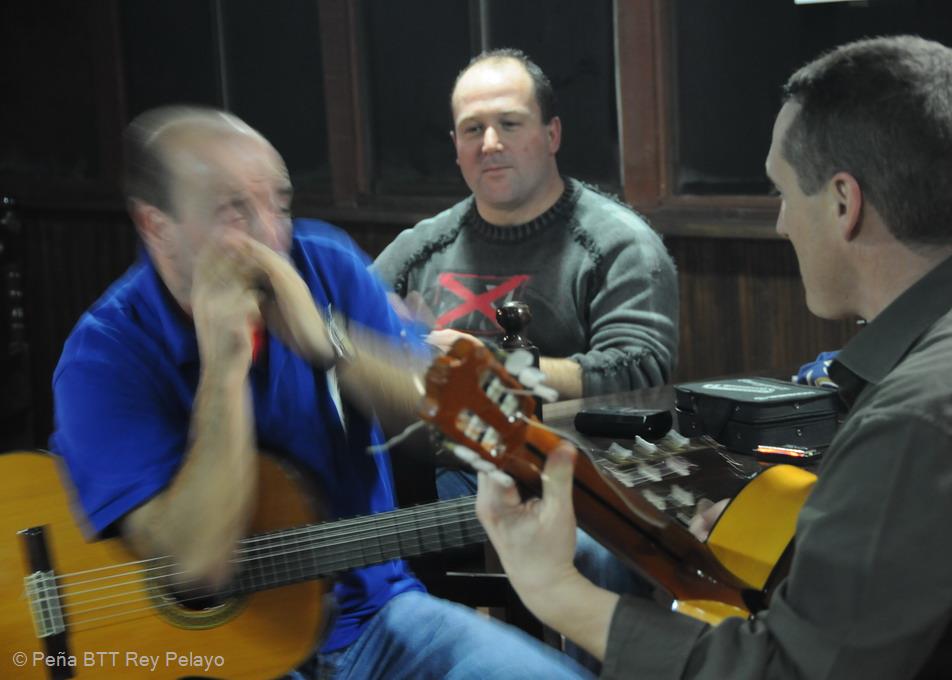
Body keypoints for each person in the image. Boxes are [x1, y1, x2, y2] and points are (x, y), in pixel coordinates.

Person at [475, 35, 952, 678]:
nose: (782, 223)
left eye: (783, 193)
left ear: (843, 204)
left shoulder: (925, 413)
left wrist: (555, 590)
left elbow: (788, 671)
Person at [49, 106, 591, 679]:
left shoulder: (324, 263)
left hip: (377, 619)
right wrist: (226, 364)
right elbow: (196, 563)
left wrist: (330, 342)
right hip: (215, 659)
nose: (271, 237)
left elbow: (451, 425)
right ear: (157, 225)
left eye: (279, 206)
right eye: (235, 211)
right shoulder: (102, 357)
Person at [373, 48, 678, 403]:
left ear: (552, 135)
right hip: (434, 436)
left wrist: (494, 368)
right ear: (456, 146)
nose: (490, 144)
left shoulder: (620, 246)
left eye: (509, 124)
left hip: (566, 439)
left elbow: (638, 375)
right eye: (473, 129)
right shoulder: (418, 248)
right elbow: (341, 331)